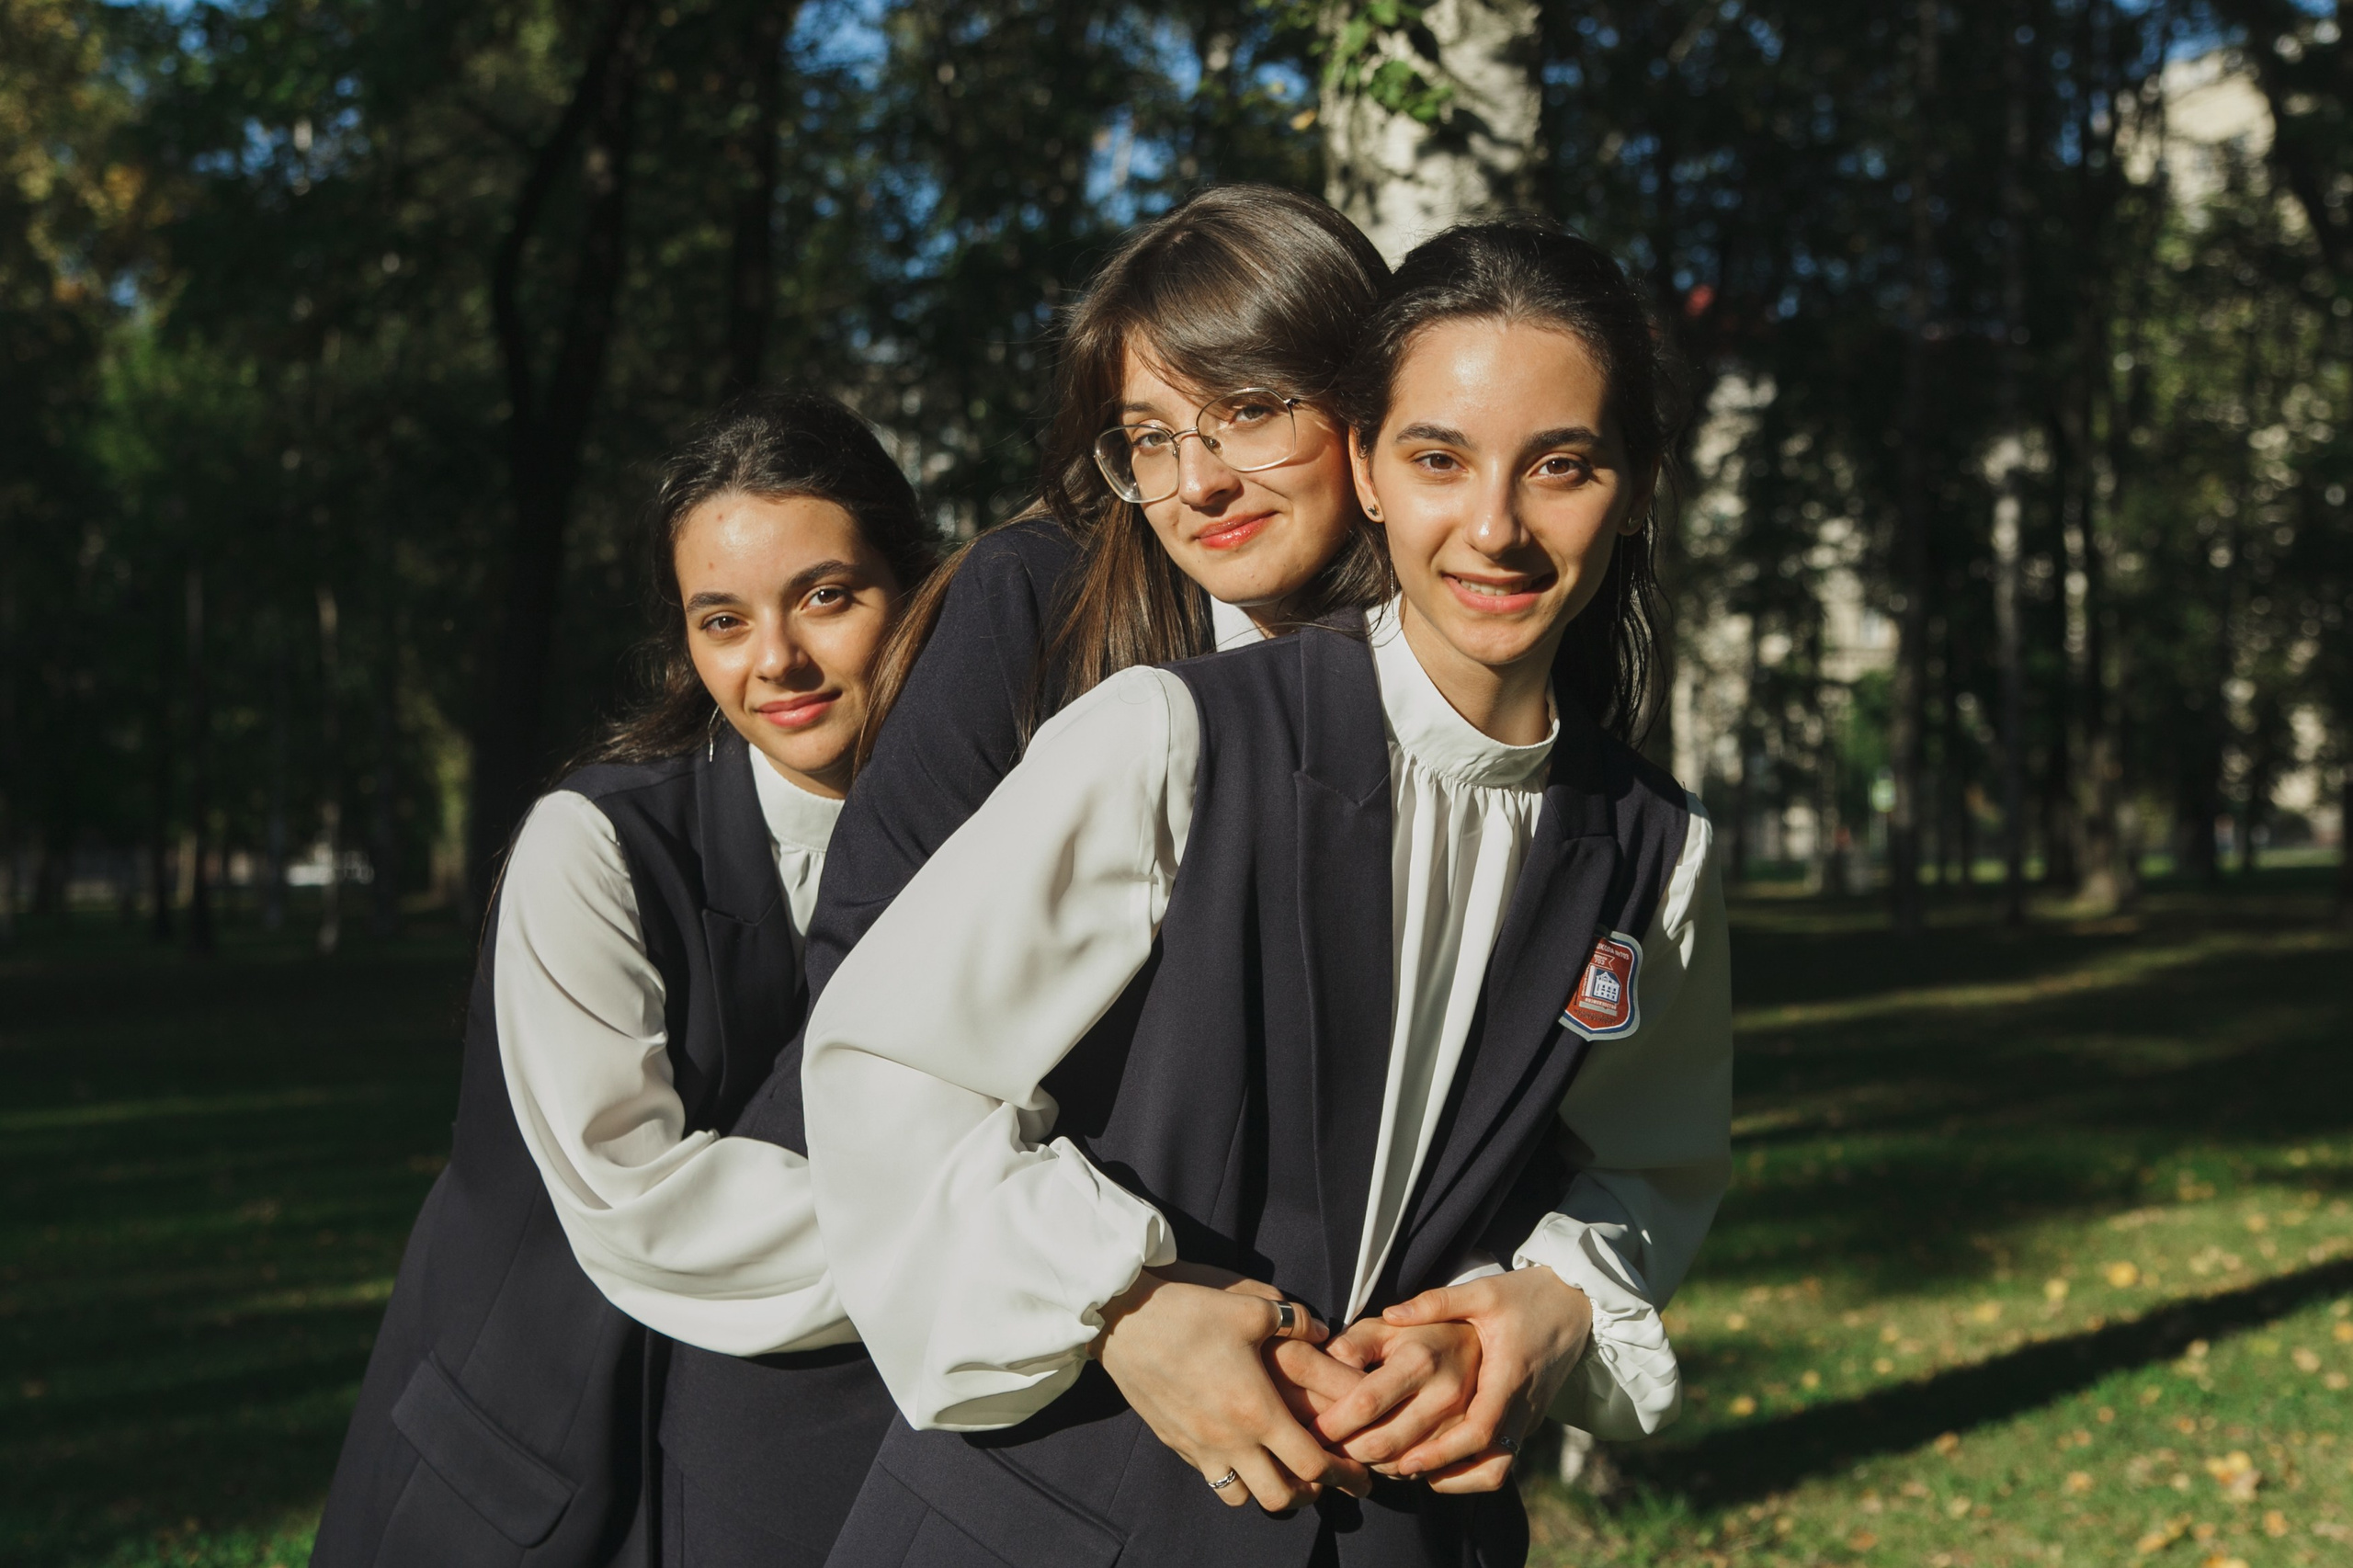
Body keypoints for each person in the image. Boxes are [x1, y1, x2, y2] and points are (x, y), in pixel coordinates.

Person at [799, 222, 1734, 1568]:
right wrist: (1118, 1299)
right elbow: (884, 1064)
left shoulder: (1658, 850)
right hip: (1053, 1518)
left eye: (1564, 467)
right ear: (1366, 468)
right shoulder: (1166, 737)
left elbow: (1650, 1162)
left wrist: (1557, 1302)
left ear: (1636, 486)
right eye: (1438, 458)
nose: (1494, 526)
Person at [654, 183, 1398, 1554]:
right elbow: (867, 986)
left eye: (1248, 409)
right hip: (941, 1375)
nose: (1199, 483)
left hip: (1302, 1439)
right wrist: (1119, 1294)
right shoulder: (1040, 601)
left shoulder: (1456, 678)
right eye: (1149, 438)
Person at [310, 391, 933, 1568]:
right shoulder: (591, 845)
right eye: (722, 620)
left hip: (783, 1476)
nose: (776, 661)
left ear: (912, 589)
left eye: (826, 596)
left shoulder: (986, 834)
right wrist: (1002, 1256)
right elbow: (648, 1203)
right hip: (530, 1470)